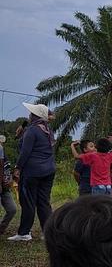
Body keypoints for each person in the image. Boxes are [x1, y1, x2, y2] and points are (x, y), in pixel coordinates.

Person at [8, 103, 56, 243]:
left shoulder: (32, 130)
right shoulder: (47, 129)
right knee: (43, 201)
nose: (29, 115)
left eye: (31, 113)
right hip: (48, 170)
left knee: (28, 201)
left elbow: (25, 152)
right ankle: (47, 232)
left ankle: (24, 233)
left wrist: (18, 167)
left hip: (32, 171)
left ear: (35, 116)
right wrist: (21, 135)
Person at [0, 134, 17, 235]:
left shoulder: (4, 157)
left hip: (5, 187)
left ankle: (1, 228)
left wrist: (10, 180)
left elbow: (7, 171)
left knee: (12, 209)